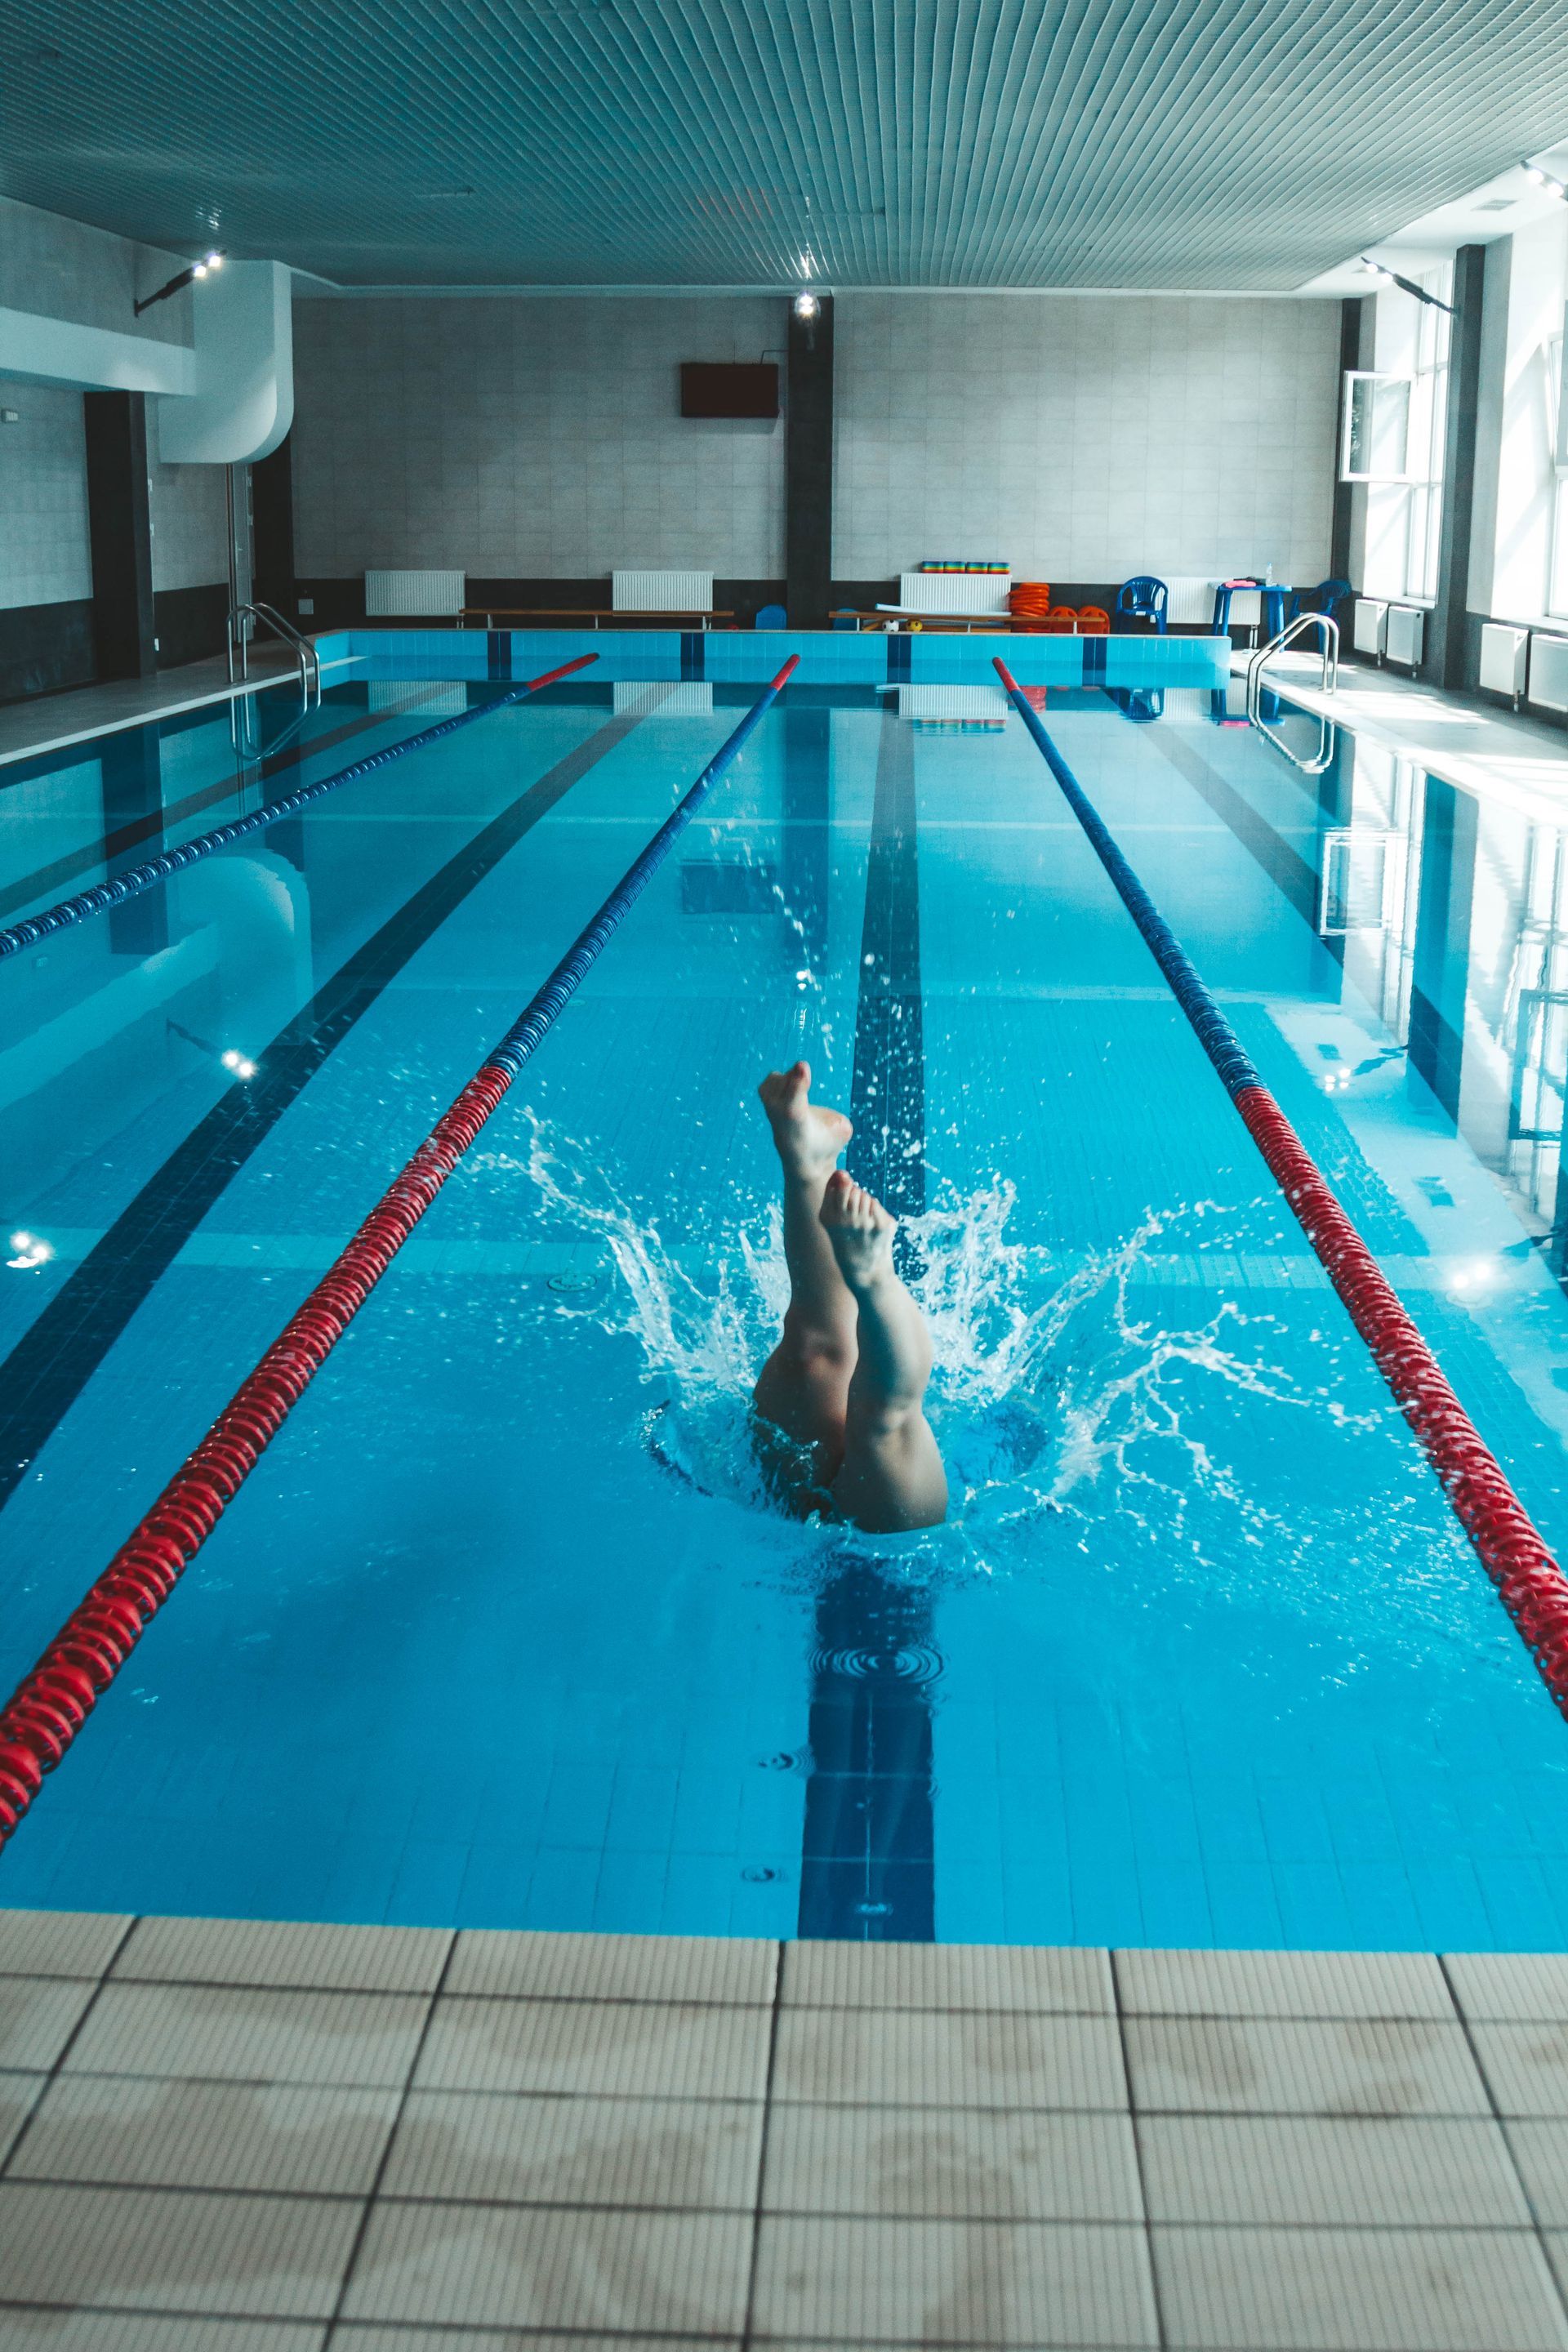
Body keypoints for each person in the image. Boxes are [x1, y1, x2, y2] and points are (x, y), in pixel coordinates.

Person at [752, 1060, 947, 1534]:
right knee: (885, 1423)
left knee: (811, 1350)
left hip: (796, 1519)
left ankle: (809, 1166)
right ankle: (874, 1277)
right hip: (895, 1555)